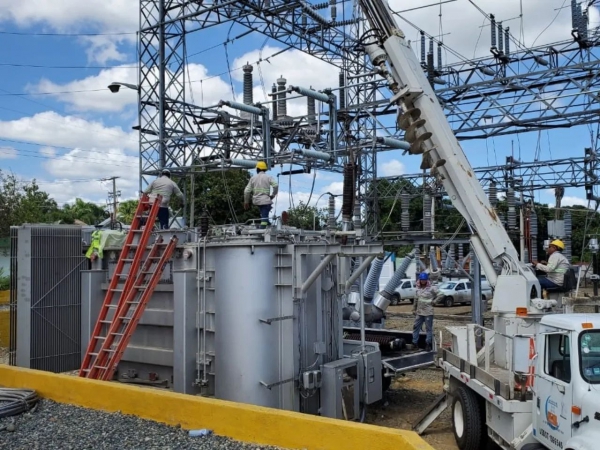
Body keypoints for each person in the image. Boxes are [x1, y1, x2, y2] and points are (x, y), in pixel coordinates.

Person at [244, 161, 278, 229]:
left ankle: (267, 223)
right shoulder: (268, 177)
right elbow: (276, 186)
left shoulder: (253, 178)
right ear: (265, 169)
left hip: (256, 201)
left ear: (257, 169)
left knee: (264, 215)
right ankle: (261, 230)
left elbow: (246, 191)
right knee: (264, 217)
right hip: (265, 201)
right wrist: (273, 195)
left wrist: (246, 202)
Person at [411, 272, 438, 352]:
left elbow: (441, 294)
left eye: (424, 280)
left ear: (427, 280)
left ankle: (428, 344)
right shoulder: (418, 288)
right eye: (422, 280)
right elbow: (416, 299)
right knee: (416, 327)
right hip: (419, 312)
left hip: (428, 312)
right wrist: (413, 308)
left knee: (428, 328)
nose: (423, 281)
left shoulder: (431, 288)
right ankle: (414, 343)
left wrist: (435, 302)